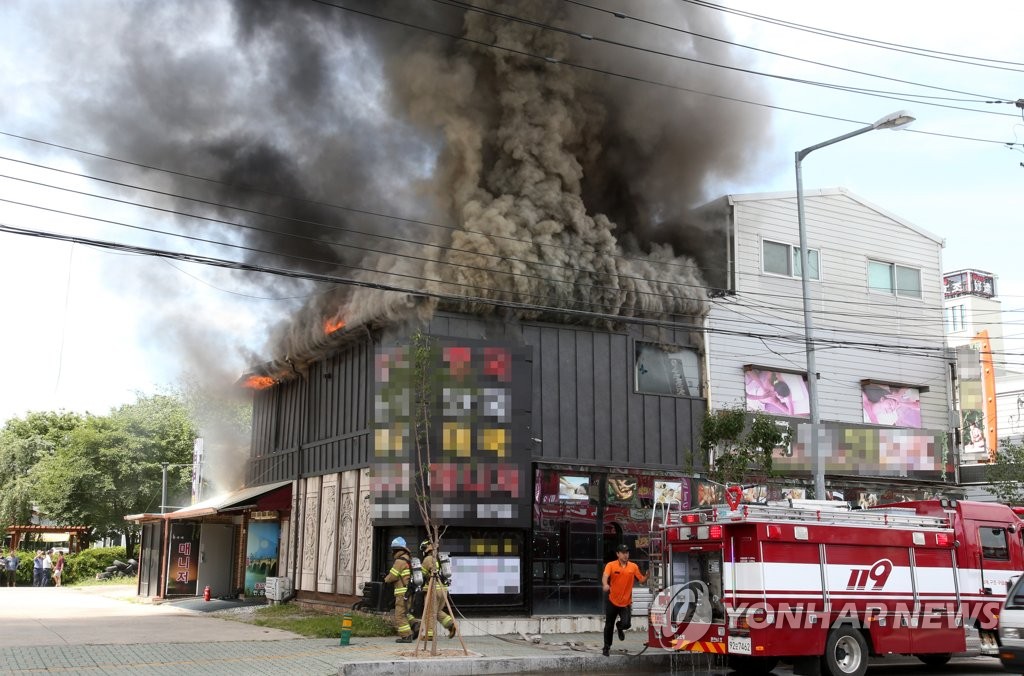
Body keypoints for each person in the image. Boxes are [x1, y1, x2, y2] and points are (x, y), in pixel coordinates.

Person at [601, 544, 648, 657]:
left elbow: (641, 580)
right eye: (623, 552)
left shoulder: (633, 566)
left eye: (627, 552)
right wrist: (605, 584)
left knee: (627, 624)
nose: (626, 554)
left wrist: (647, 576)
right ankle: (606, 647)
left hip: (626, 602)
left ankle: (620, 626)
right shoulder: (611, 565)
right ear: (618, 554)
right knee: (608, 625)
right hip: (612, 600)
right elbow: (605, 576)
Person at [418, 540, 457, 639]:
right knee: (437, 610)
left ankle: (429, 635)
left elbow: (421, 575)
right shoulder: (440, 558)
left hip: (433, 590)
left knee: (429, 612)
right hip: (443, 590)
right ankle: (451, 624)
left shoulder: (428, 559)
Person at [383, 537, 416, 643]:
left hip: (402, 593)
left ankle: (406, 636)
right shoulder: (408, 559)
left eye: (393, 549)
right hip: (409, 592)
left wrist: (385, 579)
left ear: (397, 550)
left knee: (399, 615)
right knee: (405, 612)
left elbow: (392, 576)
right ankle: (415, 624)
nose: (392, 552)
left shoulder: (400, 561)